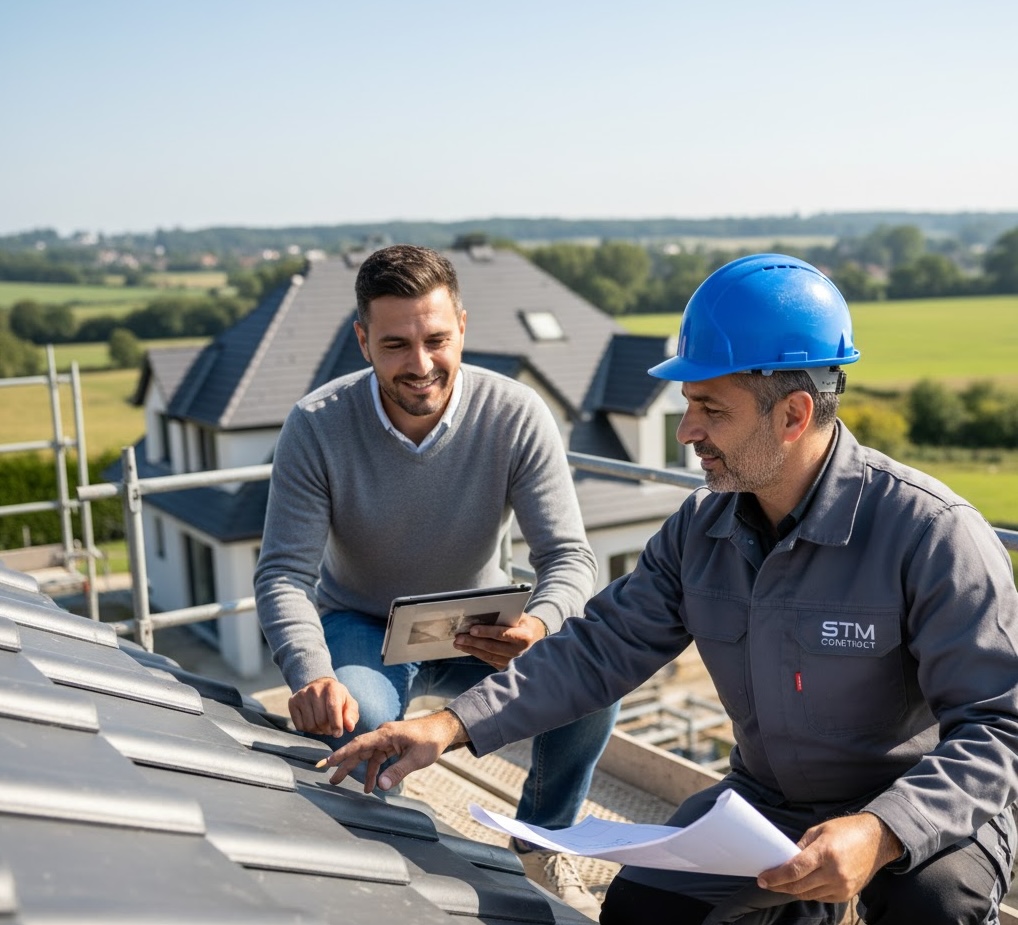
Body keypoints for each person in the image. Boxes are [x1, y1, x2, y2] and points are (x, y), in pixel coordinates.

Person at [318, 253, 1018, 925]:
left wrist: (881, 828)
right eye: (688, 405)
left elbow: (998, 729)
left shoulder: (932, 534)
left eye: (710, 408)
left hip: (924, 808)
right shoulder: (700, 531)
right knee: (637, 911)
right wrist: (446, 727)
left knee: (935, 906)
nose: (687, 431)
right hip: (771, 805)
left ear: (794, 415)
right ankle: (802, 907)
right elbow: (594, 650)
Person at [254, 243, 618, 918]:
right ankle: (392, 865)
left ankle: (541, 841)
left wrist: (534, 625)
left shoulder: (516, 413)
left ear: (463, 329)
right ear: (362, 340)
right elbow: (282, 572)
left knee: (591, 682)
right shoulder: (316, 424)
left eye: (436, 339)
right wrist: (309, 671)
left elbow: (569, 558)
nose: (420, 364)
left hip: (479, 628)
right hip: (362, 623)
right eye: (395, 343)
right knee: (354, 718)